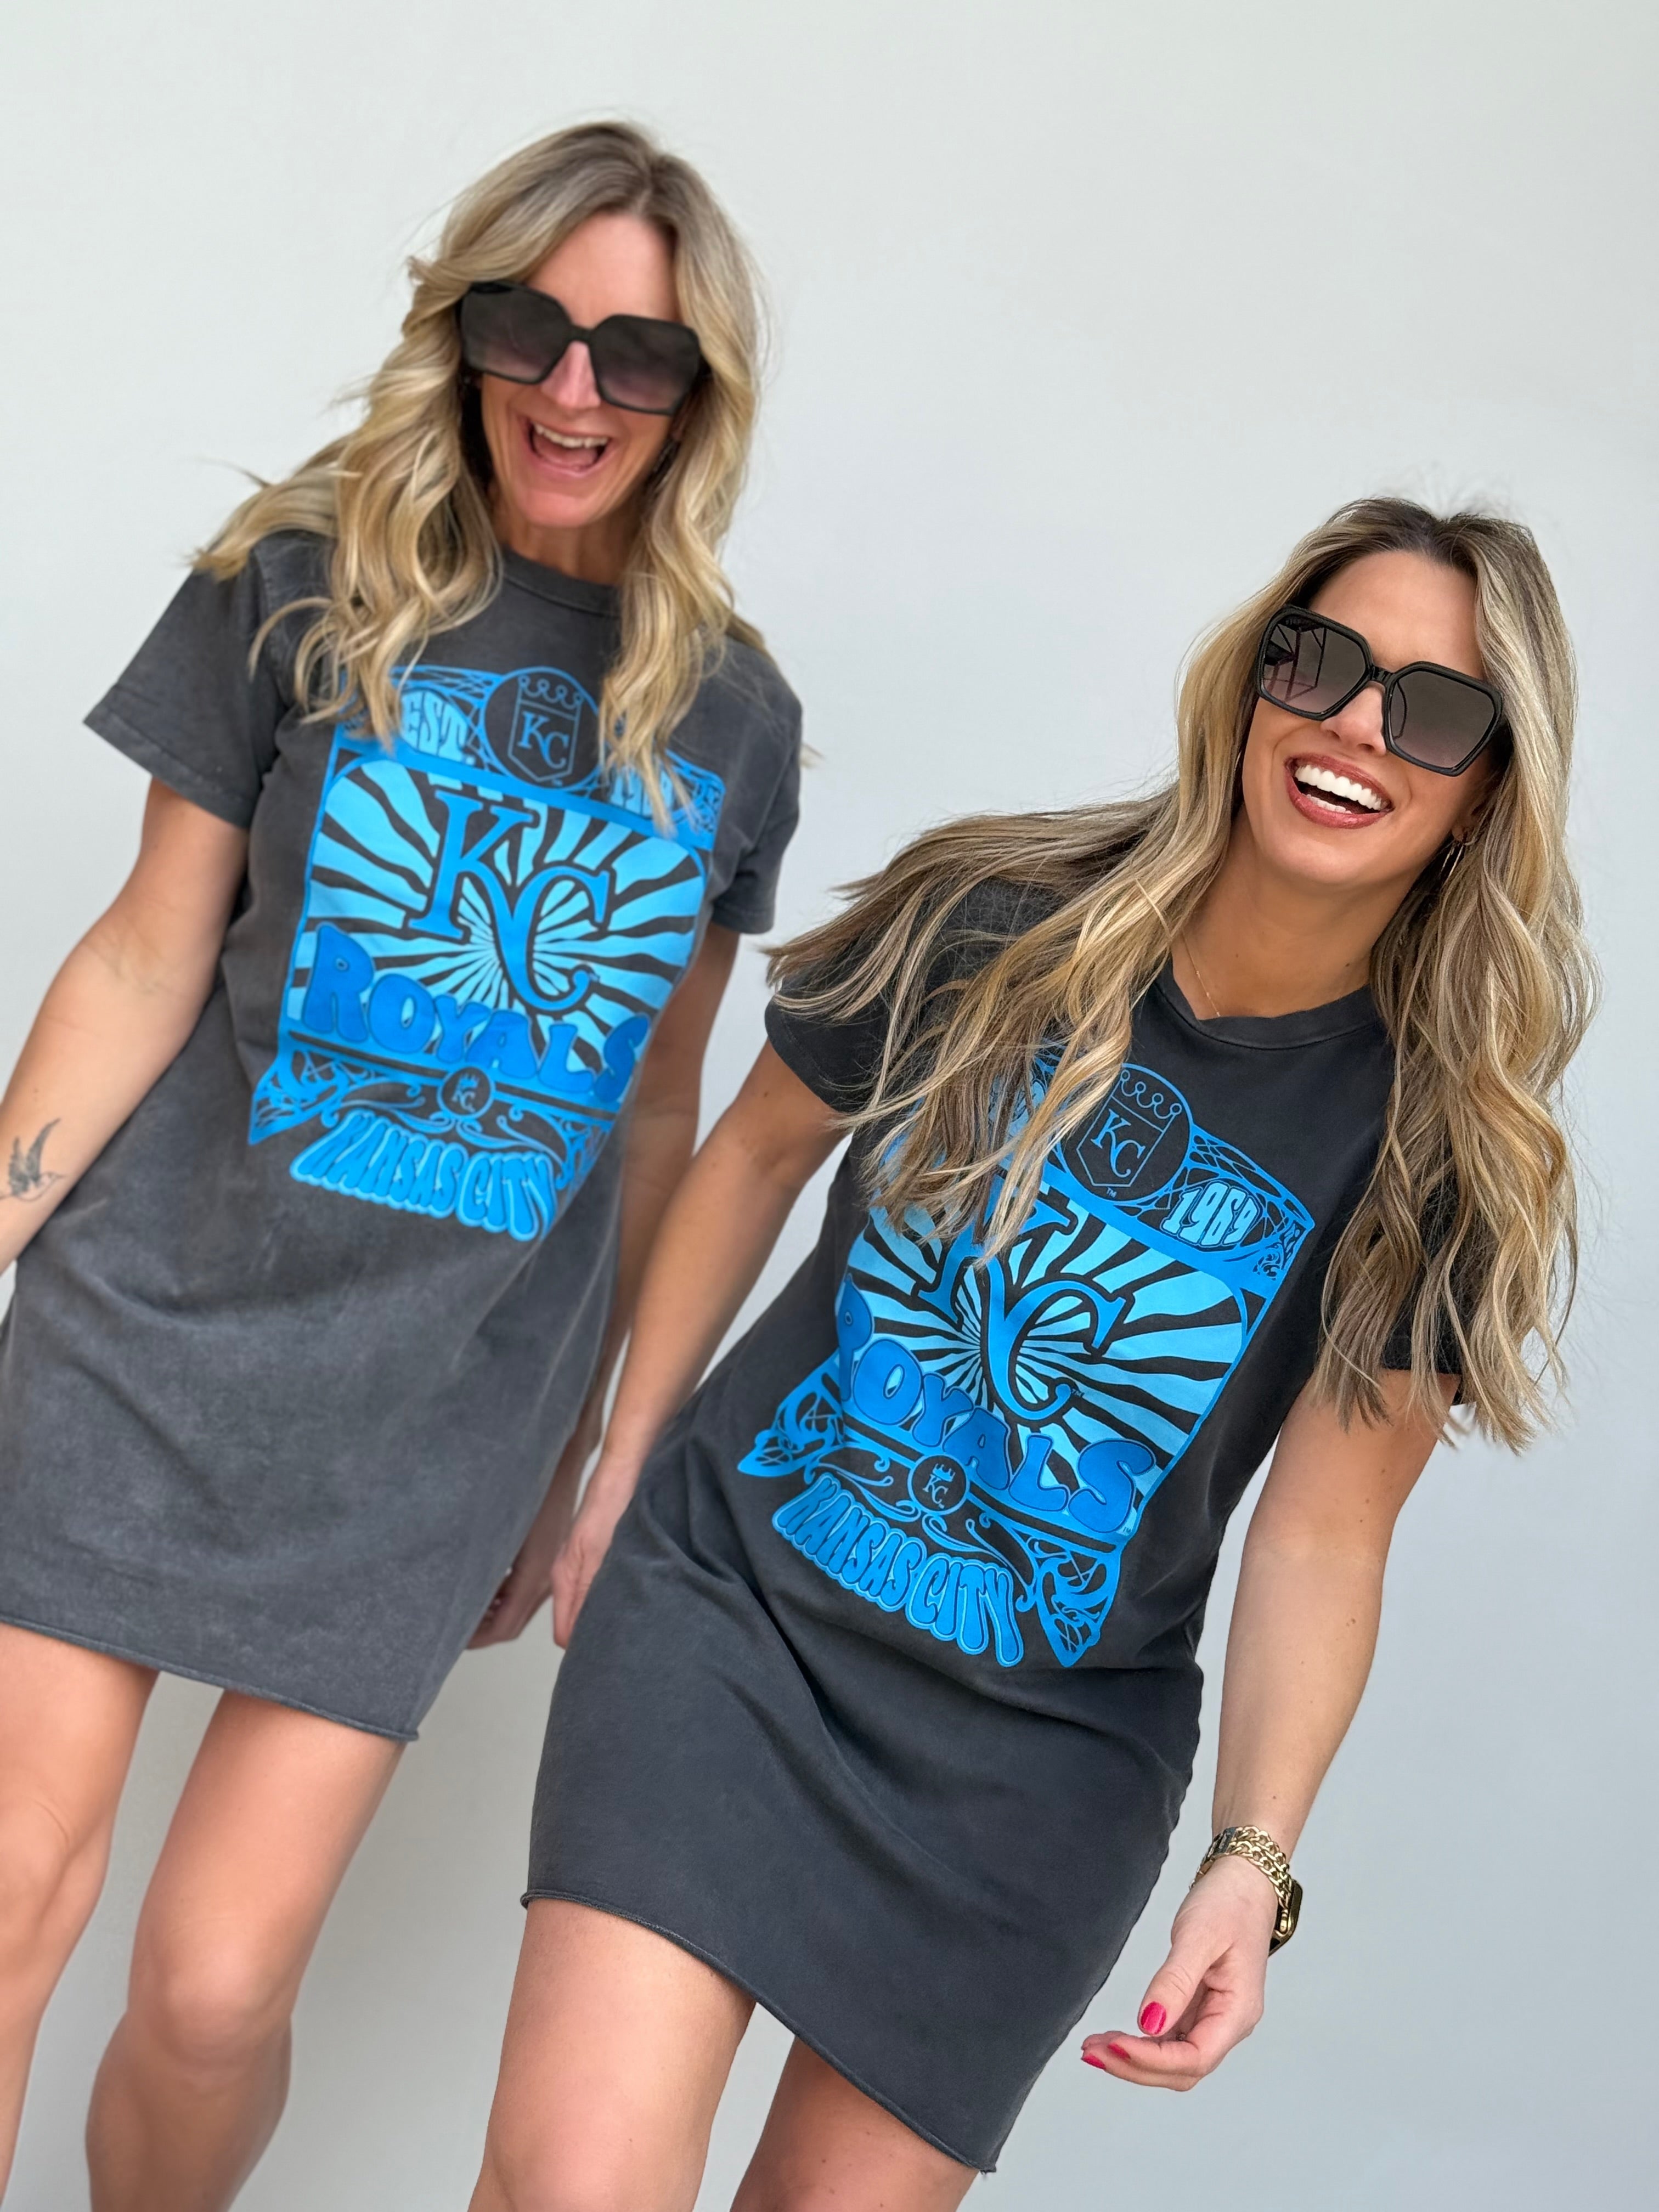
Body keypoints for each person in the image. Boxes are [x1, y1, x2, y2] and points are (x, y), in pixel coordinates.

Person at [469, 498, 1594, 2211]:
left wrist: (1252, 1860)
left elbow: (1321, 1536)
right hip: (737, 1620)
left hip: (1033, 1773)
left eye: (1434, 709)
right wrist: (624, 1453)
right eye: (1323, 663)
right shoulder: (992, 912)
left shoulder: (1434, 1146)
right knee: (576, 2186)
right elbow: (758, 1152)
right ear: (1256, 680)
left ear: (1493, 784)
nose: (1359, 726)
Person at [0, 120, 800, 2209]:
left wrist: (588, 1448)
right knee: (6, 1891)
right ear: (464, 333)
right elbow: (144, 951)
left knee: (211, 1988)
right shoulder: (298, 581)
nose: (576, 390)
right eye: (533, 328)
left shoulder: (733, 718)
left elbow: (655, 1112)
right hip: (142, 1328)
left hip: (437, 1420)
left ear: (699, 396)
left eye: (639, 355)